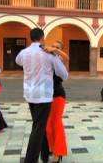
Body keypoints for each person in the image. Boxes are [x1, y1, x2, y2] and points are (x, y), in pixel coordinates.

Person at [15, 28, 68, 163]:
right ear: (43, 38)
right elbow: (64, 75)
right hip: (44, 96)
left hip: (30, 95)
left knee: (40, 126)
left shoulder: (24, 52)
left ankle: (45, 155)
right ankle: (32, 159)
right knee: (39, 128)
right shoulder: (48, 55)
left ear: (30, 38)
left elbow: (18, 61)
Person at [40, 41, 69, 163]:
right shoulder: (47, 59)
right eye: (53, 46)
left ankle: (58, 153)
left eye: (58, 47)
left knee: (56, 123)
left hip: (58, 95)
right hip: (46, 96)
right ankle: (53, 148)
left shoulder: (60, 61)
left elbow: (67, 58)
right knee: (48, 126)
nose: (55, 48)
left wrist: (55, 51)